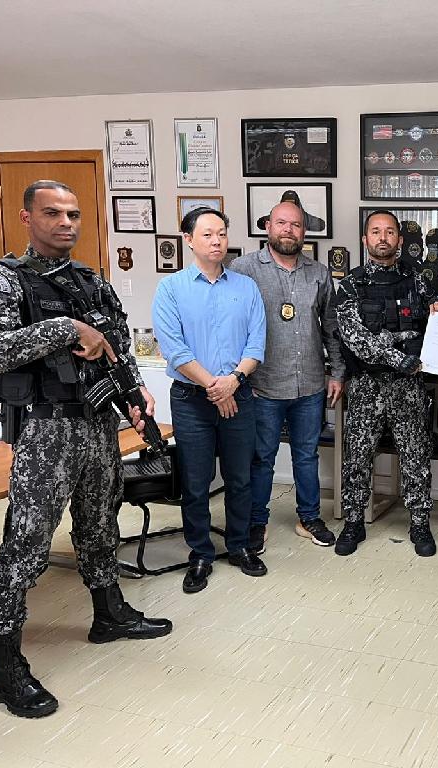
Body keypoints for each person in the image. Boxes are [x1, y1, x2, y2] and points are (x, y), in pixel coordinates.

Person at [0, 180, 172, 719]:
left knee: (100, 525)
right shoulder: (2, 281)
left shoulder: (91, 281)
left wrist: (135, 394)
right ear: (26, 218)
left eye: (74, 214)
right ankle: (6, 669)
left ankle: (109, 613)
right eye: (53, 213)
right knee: (26, 546)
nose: (66, 223)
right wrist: (64, 328)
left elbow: (116, 346)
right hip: (45, 432)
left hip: (99, 424)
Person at [153, 207, 267, 593]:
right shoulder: (171, 289)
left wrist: (232, 382)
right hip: (191, 401)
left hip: (239, 394)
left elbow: (256, 344)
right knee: (196, 481)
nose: (216, 241)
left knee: (240, 477)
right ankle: (200, 553)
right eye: (207, 234)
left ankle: (239, 546)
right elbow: (175, 351)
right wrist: (215, 389)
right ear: (188, 240)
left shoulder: (246, 287)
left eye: (221, 233)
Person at [230, 193, 344, 552]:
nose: (288, 230)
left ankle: (309, 518)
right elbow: (230, 325)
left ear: (304, 231)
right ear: (267, 226)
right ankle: (256, 522)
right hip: (262, 385)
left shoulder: (319, 273)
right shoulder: (243, 270)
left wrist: (337, 372)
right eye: (281, 223)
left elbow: (331, 327)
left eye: (296, 224)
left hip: (309, 384)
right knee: (261, 458)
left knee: (306, 456)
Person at [333, 210, 438, 556]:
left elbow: (433, 321)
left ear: (399, 239)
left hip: (408, 387)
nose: (383, 238)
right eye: (376, 231)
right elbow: (356, 339)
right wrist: (398, 357)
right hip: (367, 385)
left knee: (416, 455)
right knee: (357, 455)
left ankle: (419, 522)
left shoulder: (417, 280)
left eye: (390, 232)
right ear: (365, 239)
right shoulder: (350, 285)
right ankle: (353, 521)